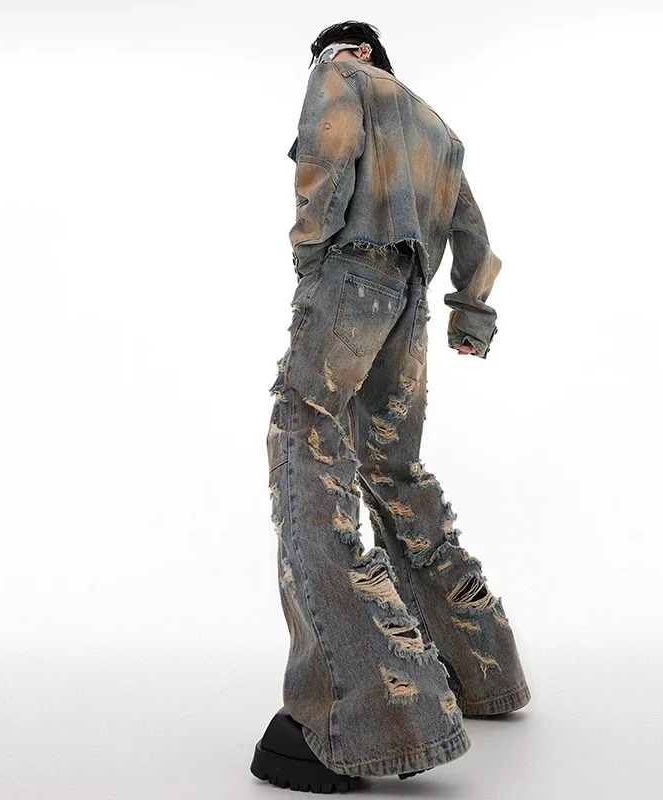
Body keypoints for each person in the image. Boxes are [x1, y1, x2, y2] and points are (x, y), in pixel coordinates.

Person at [250, 20, 531, 792]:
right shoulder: (438, 129)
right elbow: (473, 234)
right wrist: (470, 316)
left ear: (359, 49)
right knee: (394, 472)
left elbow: (326, 156)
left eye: (324, 53)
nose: (318, 67)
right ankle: (480, 669)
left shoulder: (343, 76)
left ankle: (371, 714)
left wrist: (312, 255)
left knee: (306, 456)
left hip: (351, 280)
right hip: (409, 303)